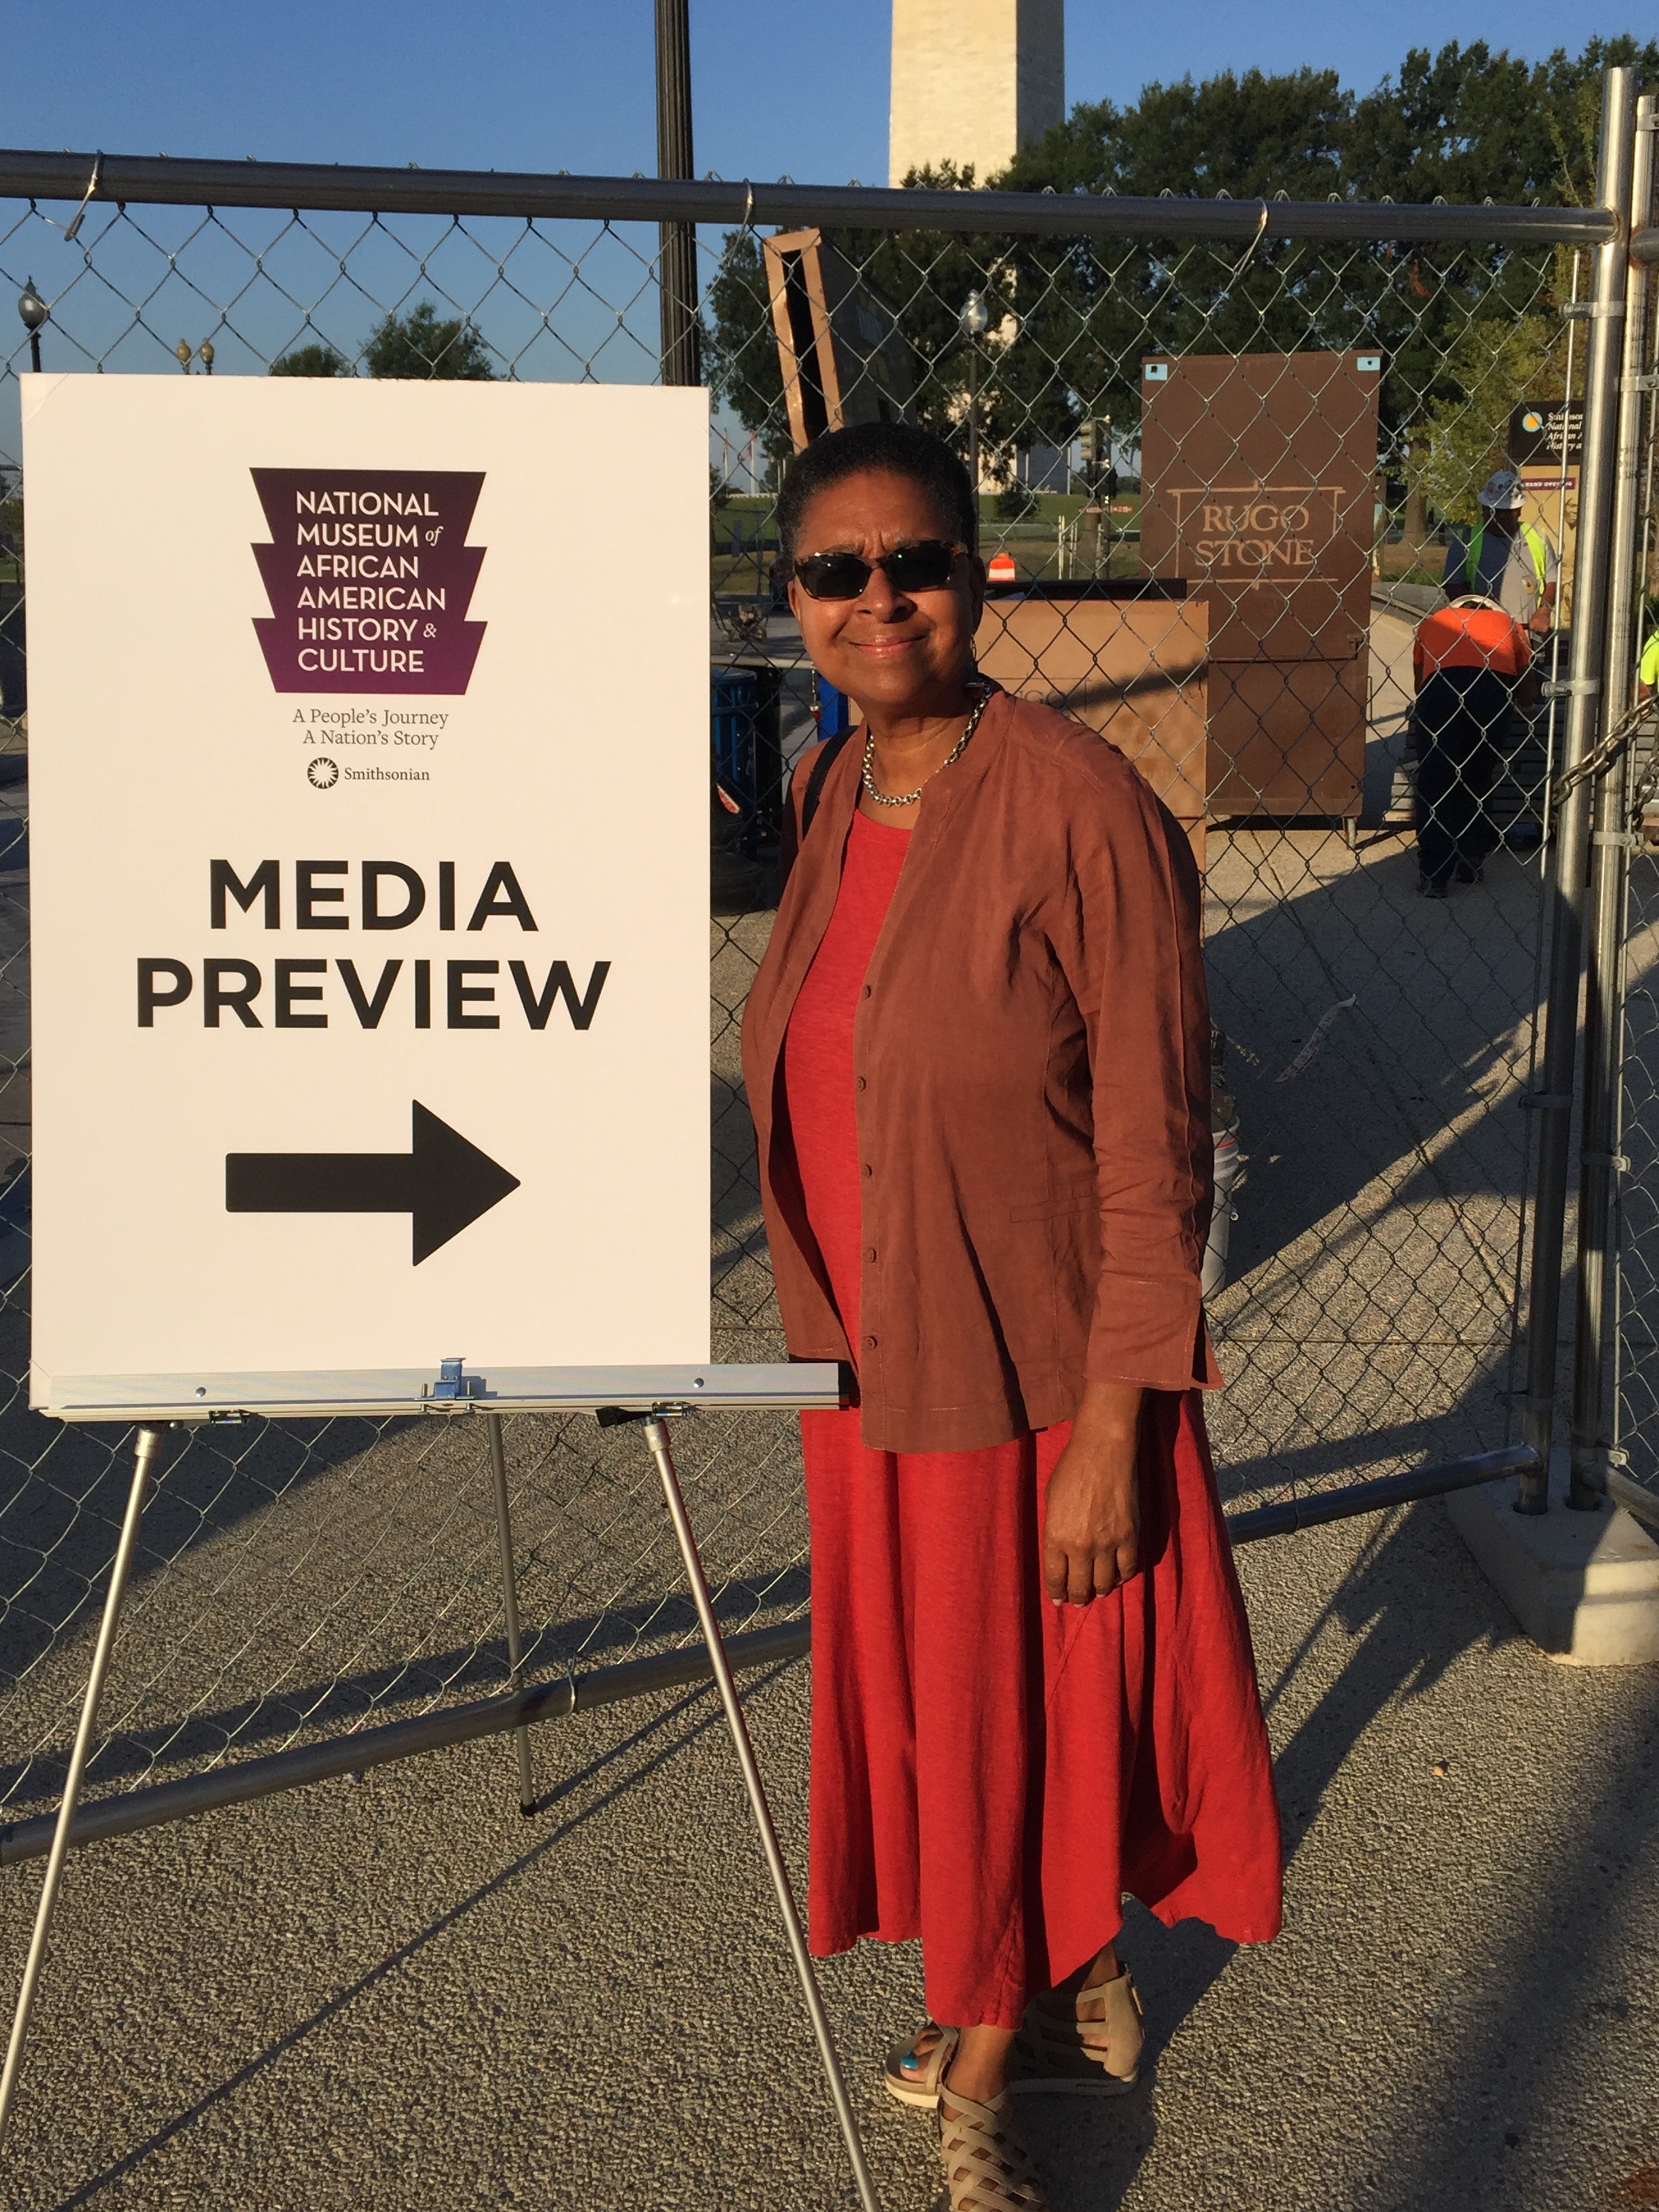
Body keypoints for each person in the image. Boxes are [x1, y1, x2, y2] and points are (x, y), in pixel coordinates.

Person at [741, 422, 1282, 2211]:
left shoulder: (1080, 806)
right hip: (871, 1363)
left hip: (1037, 1373)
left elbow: (1156, 1137)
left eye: (919, 563)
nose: (879, 596)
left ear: (984, 581)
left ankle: (985, 2090)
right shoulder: (831, 799)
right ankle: (1064, 1985)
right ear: (796, 600)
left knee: (1002, 1720)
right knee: (947, 1720)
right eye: (839, 570)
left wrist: (1120, 1423)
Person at [1411, 594, 1536, 897]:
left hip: (1442, 689)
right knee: (1477, 778)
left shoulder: (1433, 623)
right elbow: (1527, 686)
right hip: (1492, 692)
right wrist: (1519, 705)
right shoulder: (1508, 624)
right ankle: (1471, 858)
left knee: (1436, 780)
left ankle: (1435, 875)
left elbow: (1420, 683)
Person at [1441, 470, 1558, 633]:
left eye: (1502, 512)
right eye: (1489, 510)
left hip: (1529, 636)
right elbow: (1453, 585)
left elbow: (1552, 581)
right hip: (1484, 636)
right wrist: (1481, 611)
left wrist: (1544, 611)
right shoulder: (1466, 540)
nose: (1493, 516)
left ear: (1517, 511)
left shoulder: (1537, 537)